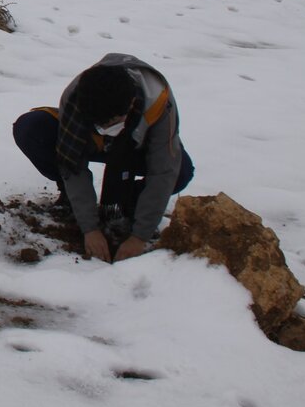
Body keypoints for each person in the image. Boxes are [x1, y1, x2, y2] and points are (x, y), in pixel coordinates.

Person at [12, 53, 195, 262]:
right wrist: (89, 228)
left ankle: (129, 207)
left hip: (137, 147)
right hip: (94, 143)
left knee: (181, 170)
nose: (107, 128)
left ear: (131, 103)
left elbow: (163, 170)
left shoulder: (159, 101)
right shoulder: (78, 96)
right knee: (32, 128)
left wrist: (139, 236)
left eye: (113, 122)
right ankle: (71, 200)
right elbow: (72, 163)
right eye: (101, 124)